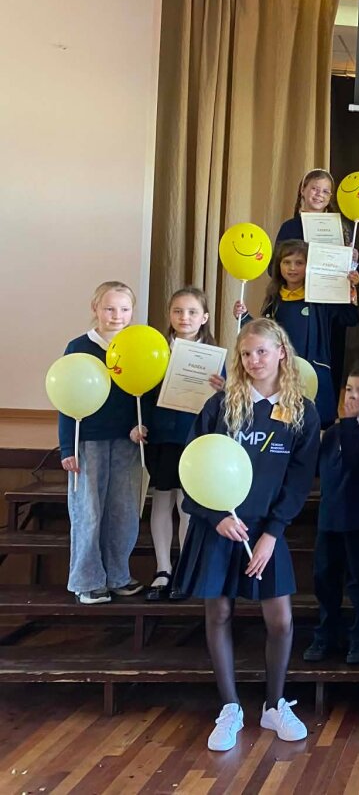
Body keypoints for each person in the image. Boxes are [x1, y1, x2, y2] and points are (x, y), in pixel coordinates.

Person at [175, 319, 320, 751]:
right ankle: (230, 708)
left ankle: (274, 705)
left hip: (265, 531)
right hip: (220, 527)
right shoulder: (220, 406)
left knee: (281, 620)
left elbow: (298, 482)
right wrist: (214, 515)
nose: (254, 361)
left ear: (282, 353)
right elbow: (192, 467)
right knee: (218, 613)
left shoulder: (303, 412)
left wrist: (272, 534)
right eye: (245, 353)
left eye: (262, 351)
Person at [57, 281, 144, 605]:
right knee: (88, 511)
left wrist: (141, 426)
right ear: (95, 309)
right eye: (109, 308)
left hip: (126, 442)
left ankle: (118, 575)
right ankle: (87, 581)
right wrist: (67, 447)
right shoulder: (78, 347)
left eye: (124, 309)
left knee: (123, 512)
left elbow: (144, 392)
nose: (117, 315)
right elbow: (65, 396)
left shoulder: (136, 346)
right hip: (88, 441)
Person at [139, 286, 222, 601]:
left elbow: (225, 402)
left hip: (196, 438)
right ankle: (163, 569)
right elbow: (142, 392)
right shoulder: (156, 351)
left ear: (204, 317)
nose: (184, 317)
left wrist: (223, 388)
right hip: (161, 436)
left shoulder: (215, 357)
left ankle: (185, 572)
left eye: (191, 312)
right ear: (169, 315)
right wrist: (141, 423)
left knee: (187, 504)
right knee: (162, 499)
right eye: (177, 311)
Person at [305, 365, 359, 666]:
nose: (352, 396)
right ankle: (326, 633)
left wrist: (349, 423)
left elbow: (355, 462)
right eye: (349, 390)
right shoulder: (334, 432)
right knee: (324, 580)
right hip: (330, 518)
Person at [234, 239, 359, 428]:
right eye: (287, 262)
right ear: (279, 266)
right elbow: (264, 335)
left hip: (313, 371)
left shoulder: (320, 299)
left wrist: (350, 289)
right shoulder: (275, 300)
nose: (292, 268)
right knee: (284, 423)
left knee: (314, 422)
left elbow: (350, 318)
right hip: (282, 373)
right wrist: (244, 317)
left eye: (299, 263)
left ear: (309, 266)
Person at [274, 168, 348, 246]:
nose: (319, 194)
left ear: (330, 197)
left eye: (325, 191)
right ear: (302, 190)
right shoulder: (288, 227)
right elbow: (279, 253)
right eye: (314, 189)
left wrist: (351, 252)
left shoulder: (341, 228)